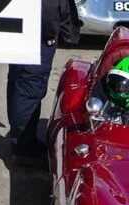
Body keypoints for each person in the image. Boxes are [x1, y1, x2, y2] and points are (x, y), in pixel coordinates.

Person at [5, 0, 79, 166]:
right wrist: (49, 32)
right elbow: (47, 4)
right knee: (29, 86)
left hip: (22, 26)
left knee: (20, 82)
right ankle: (24, 148)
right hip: (35, 31)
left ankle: (23, 140)